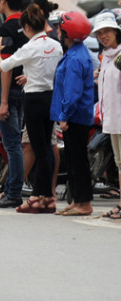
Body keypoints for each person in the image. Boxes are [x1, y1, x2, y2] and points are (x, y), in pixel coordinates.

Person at [0, 3, 62, 213]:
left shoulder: (30, 47)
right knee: (45, 148)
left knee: (40, 150)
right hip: (51, 98)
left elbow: (3, 66)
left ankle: (42, 197)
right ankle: (45, 196)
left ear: (28, 28)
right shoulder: (55, 45)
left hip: (33, 100)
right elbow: (51, 70)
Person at [0, 0, 28, 208]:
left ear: (3, 0)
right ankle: (10, 189)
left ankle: (13, 193)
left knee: (12, 144)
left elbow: (6, 65)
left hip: (7, 91)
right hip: (23, 88)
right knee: (16, 143)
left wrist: (2, 101)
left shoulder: (8, 28)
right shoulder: (27, 24)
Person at [51, 12, 95, 216]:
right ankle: (77, 200)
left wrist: (65, 116)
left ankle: (84, 203)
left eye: (60, 28)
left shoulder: (76, 58)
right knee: (74, 159)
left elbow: (72, 92)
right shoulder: (75, 53)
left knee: (78, 161)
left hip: (75, 117)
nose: (58, 31)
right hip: (75, 116)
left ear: (67, 32)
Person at [94, 11, 121, 220]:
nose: (104, 36)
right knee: (119, 163)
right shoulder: (107, 58)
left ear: (116, 32)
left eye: (108, 31)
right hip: (111, 118)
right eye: (100, 33)